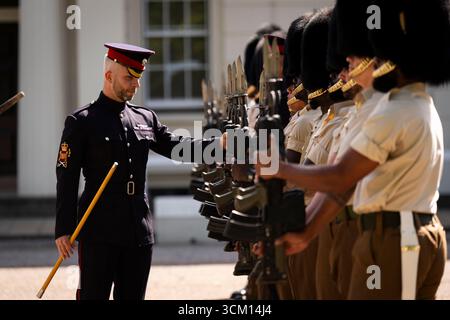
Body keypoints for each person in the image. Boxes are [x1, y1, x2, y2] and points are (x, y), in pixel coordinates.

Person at [257, 0, 450, 299]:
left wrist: (278, 167)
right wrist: (305, 232)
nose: (345, 60)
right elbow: (341, 188)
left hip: (394, 238)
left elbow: (340, 177)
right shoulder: (402, 105)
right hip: (395, 234)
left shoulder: (394, 111)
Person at [55, 43, 222, 300]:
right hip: (99, 232)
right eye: (129, 78)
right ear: (109, 76)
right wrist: (64, 228)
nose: (136, 85)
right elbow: (66, 177)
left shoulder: (145, 118)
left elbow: (179, 148)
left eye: (138, 78)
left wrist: (220, 146)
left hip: (138, 231)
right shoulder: (82, 121)